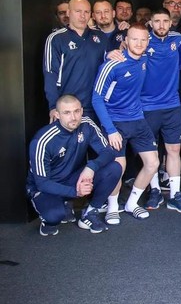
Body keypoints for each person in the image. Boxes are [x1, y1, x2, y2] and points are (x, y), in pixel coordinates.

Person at [91, 24, 161, 225]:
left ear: (148, 42)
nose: (139, 43)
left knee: (153, 163)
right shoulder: (113, 64)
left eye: (143, 39)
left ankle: (132, 203)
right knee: (118, 167)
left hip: (137, 120)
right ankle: (113, 207)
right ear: (126, 41)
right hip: (115, 122)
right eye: (134, 39)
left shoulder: (144, 60)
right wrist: (111, 130)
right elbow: (97, 98)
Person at [27, 94, 121, 235]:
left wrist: (91, 167)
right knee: (54, 217)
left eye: (76, 111)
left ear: (82, 110)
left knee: (114, 167)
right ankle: (56, 210)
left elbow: (108, 152)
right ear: (57, 115)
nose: (73, 117)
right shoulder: (42, 140)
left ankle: (90, 213)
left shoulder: (86, 123)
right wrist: (75, 192)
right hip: (47, 187)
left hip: (72, 179)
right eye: (67, 113)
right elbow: (42, 183)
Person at [139, 9, 181, 213]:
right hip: (147, 106)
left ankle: (175, 194)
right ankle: (154, 191)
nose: (161, 25)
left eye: (165, 21)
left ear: (171, 22)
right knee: (151, 152)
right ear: (150, 23)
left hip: (172, 105)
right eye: (157, 21)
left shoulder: (178, 40)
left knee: (174, 150)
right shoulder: (143, 41)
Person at [43, 0, 109, 122]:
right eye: (78, 11)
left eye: (86, 12)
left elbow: (110, 70)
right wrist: (53, 106)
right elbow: (50, 74)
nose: (82, 16)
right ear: (68, 12)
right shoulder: (56, 38)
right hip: (69, 108)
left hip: (97, 106)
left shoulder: (100, 37)